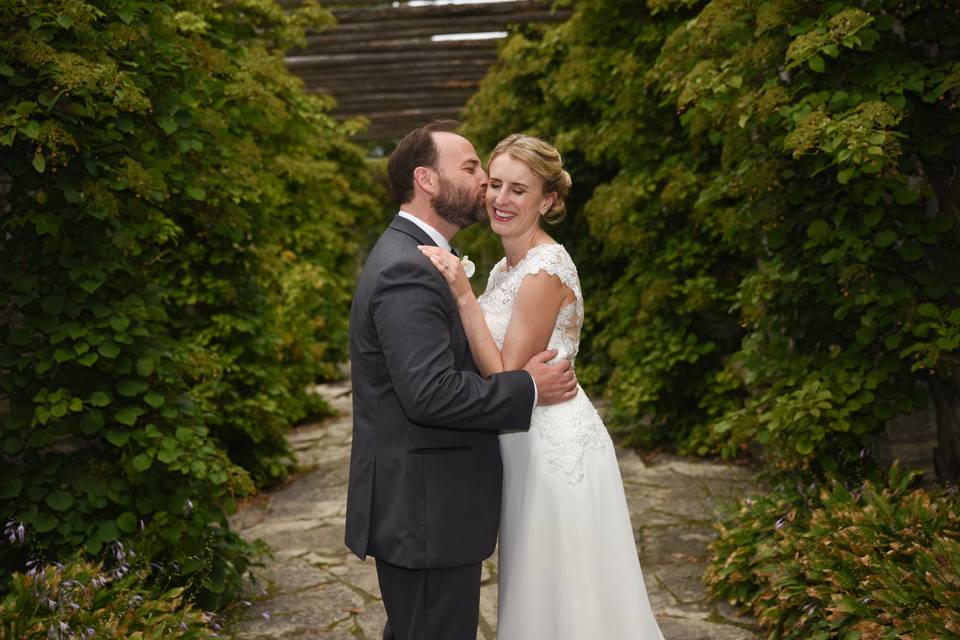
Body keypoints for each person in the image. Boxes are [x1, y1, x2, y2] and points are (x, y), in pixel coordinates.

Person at [419, 134, 665, 639]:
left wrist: (463, 296)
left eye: (519, 191)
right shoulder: (507, 267)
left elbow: (506, 375)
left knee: (566, 592)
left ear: (548, 200)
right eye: (496, 186)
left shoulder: (545, 269)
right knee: (540, 586)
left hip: (554, 446)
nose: (500, 201)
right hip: (521, 439)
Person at [344, 121, 579, 640]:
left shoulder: (424, 259)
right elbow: (431, 394)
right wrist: (531, 388)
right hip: (427, 508)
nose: (484, 184)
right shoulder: (407, 268)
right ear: (427, 180)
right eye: (472, 169)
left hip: (430, 504)